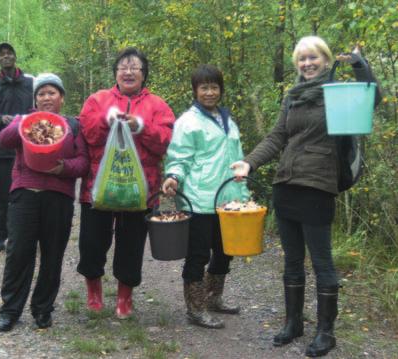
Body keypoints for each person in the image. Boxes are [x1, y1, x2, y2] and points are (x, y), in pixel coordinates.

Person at [231, 36, 381, 357]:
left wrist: (359, 64)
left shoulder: (339, 94)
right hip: (286, 185)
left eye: (313, 58)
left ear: (327, 60)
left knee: (322, 261)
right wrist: (250, 161)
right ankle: (293, 322)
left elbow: (372, 98)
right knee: (292, 259)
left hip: (318, 186)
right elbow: (278, 135)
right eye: (302, 59)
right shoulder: (293, 95)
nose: (307, 64)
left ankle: (326, 332)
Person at [77, 47, 175, 319]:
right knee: (92, 242)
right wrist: (106, 120)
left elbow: (166, 141)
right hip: (98, 188)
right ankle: (93, 291)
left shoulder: (158, 105)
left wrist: (141, 126)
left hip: (140, 189)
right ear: (115, 73)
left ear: (144, 75)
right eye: (123, 67)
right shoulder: (98, 99)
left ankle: (124, 297)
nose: (129, 71)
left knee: (131, 244)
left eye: (135, 67)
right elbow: (88, 135)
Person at [0, 73, 89, 332]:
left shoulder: (73, 125)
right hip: (25, 193)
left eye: (52, 93)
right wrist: (23, 120)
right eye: (41, 94)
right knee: (18, 253)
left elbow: (83, 162)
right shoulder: (24, 121)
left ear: (62, 97)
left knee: (52, 255)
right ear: (34, 99)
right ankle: (10, 310)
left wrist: (62, 168)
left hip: (58, 197)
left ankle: (42, 309)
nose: (46, 98)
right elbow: (4, 140)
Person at [161, 64, 249, 329]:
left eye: (214, 87)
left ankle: (214, 298)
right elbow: (179, 157)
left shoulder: (228, 120)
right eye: (204, 87)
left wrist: (243, 192)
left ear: (221, 90)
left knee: (224, 252)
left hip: (228, 199)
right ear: (195, 91)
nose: (209, 92)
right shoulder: (187, 122)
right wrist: (173, 176)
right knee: (198, 254)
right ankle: (195, 308)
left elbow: (238, 158)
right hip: (200, 198)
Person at [0, 42, 34, 252]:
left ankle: (24, 236)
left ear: (15, 56)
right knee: (4, 195)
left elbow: (42, 110)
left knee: (29, 194)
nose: (6, 57)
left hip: (31, 148)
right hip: (3, 151)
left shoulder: (32, 82)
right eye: (1, 55)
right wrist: (1, 119)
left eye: (9, 53)